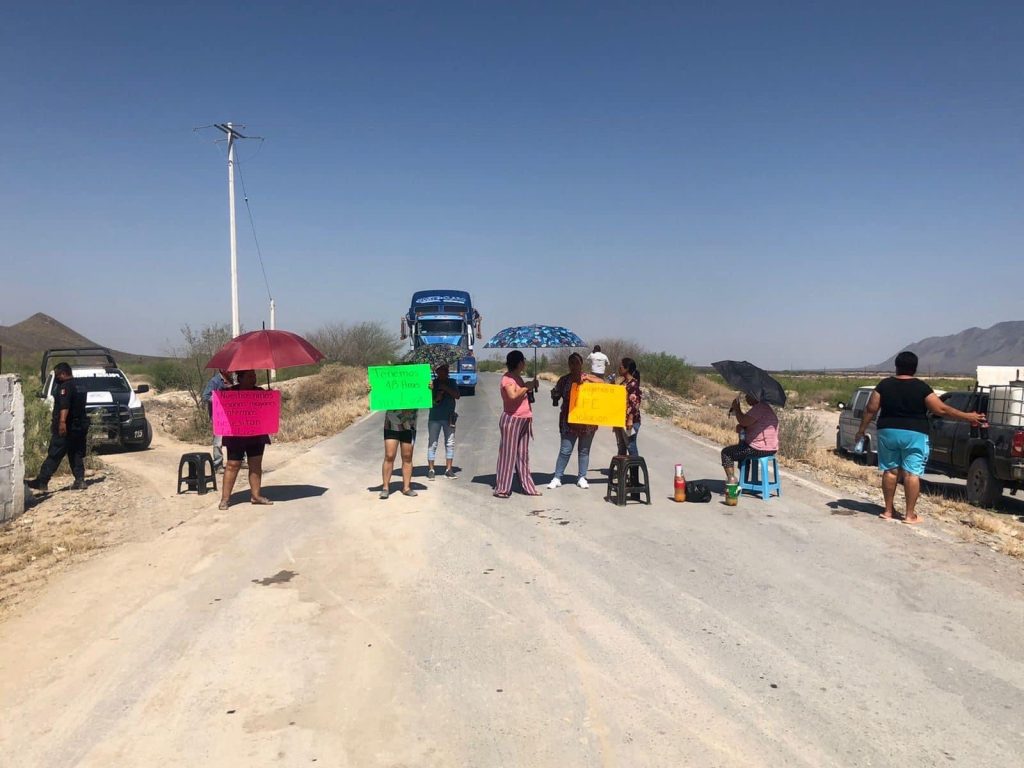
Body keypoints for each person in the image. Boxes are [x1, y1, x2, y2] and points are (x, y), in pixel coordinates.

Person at [856, 351, 984, 524]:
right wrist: (968, 416)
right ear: (914, 368)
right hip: (915, 433)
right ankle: (909, 515)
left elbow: (871, 409)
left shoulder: (884, 385)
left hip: (888, 431)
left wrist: (861, 430)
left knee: (891, 471)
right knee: (911, 473)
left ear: (896, 366)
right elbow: (941, 409)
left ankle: (887, 511)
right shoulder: (921, 387)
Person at [27, 362, 88, 492]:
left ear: (63, 373)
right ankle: (80, 480)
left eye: (57, 375)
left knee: (55, 453)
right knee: (75, 453)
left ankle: (42, 481)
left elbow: (65, 406)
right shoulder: (80, 385)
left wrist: (62, 422)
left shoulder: (65, 387)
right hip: (79, 426)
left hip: (67, 427)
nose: (56, 377)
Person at [218, 370, 273, 510]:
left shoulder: (260, 392)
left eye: (254, 375)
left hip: (256, 434)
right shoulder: (230, 392)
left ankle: (256, 496)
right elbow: (220, 408)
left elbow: (268, 413)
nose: (253, 378)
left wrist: (270, 398)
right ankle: (225, 499)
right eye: (250, 376)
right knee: (232, 465)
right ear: (240, 378)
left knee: (255, 464)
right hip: (236, 435)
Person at [548, 353, 603, 489]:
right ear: (568, 365)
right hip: (569, 421)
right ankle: (557, 477)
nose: (574, 365)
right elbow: (556, 394)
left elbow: (603, 385)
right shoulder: (564, 380)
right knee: (565, 450)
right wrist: (554, 395)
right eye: (571, 363)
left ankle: (582, 477)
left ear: (581, 364)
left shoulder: (589, 379)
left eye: (576, 362)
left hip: (587, 422)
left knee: (584, 451)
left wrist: (587, 377)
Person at [494, 350, 541, 498]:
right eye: (523, 361)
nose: (524, 363)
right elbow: (512, 395)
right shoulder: (507, 378)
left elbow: (523, 395)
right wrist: (526, 387)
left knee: (523, 455)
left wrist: (530, 386)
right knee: (508, 454)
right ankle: (502, 488)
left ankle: (528, 487)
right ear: (519, 362)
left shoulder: (518, 378)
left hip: (524, 418)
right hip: (512, 419)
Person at [721, 394, 779, 485]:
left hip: (758, 449)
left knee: (726, 453)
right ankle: (743, 481)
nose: (746, 397)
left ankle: (732, 483)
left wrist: (737, 408)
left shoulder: (759, 408)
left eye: (748, 395)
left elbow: (743, 421)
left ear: (755, 396)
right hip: (771, 449)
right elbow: (751, 424)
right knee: (742, 450)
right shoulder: (765, 408)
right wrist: (742, 427)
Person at [426, 363, 460, 480]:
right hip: (434, 417)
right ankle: (431, 469)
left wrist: (446, 388)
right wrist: (437, 396)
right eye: (440, 370)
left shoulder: (452, 382)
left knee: (450, 443)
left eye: (445, 370)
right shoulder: (432, 384)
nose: (443, 372)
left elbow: (457, 395)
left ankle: (448, 469)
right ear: (436, 372)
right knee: (432, 443)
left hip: (449, 417)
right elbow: (429, 402)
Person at [381, 408, 418, 499]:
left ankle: (406, 488)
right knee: (389, 455)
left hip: (409, 424)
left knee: (407, 457)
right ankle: (385, 488)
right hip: (391, 423)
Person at [201, 369, 233, 469]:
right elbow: (205, 396)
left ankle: (236, 461)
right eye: (228, 368)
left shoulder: (232, 380)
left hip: (231, 416)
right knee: (218, 441)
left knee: (234, 440)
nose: (231, 371)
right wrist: (219, 399)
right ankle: (218, 464)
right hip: (218, 416)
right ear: (222, 369)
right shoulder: (214, 381)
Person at [613, 357, 642, 457]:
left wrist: (630, 420)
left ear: (627, 368)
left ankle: (635, 467)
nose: (619, 367)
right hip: (620, 420)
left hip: (630, 422)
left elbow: (635, 403)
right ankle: (622, 467)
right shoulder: (623, 383)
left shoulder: (633, 384)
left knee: (630, 446)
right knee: (621, 446)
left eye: (621, 366)